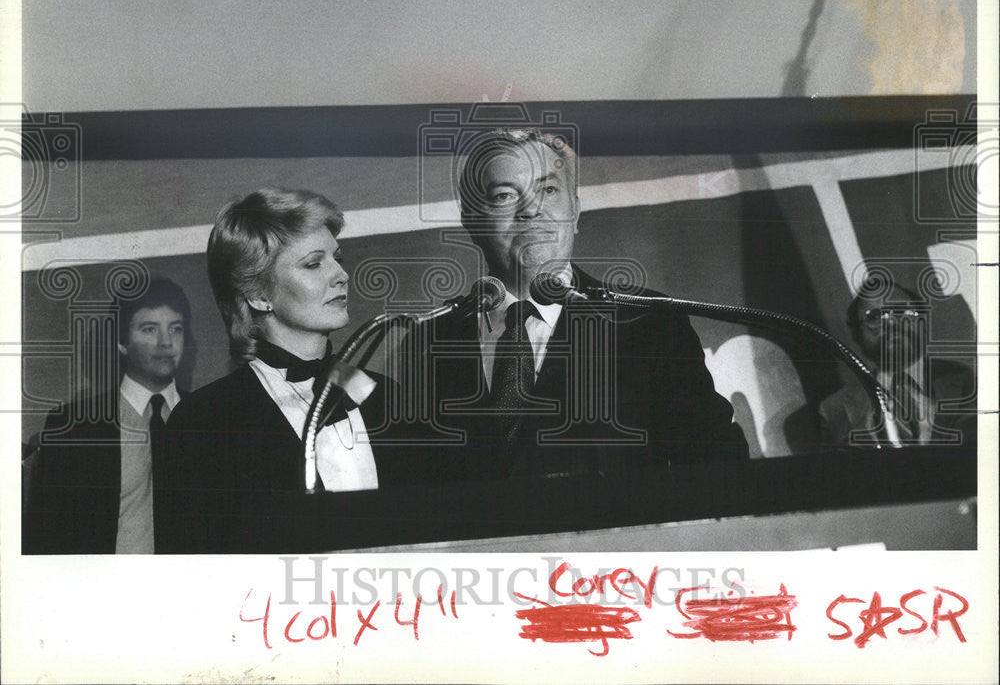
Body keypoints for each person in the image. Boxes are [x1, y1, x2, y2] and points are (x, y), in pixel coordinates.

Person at [406, 128, 748, 482]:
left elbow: (717, 461)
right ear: (471, 221)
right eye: (505, 195)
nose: (531, 211)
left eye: (549, 190)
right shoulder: (428, 342)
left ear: (576, 210)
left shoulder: (647, 321)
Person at [159, 188, 407, 553]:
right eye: (313, 263)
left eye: (338, 258)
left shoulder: (383, 395)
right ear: (259, 294)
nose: (341, 275)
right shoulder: (203, 421)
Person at [23, 276, 191, 554]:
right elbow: (45, 536)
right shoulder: (72, 425)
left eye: (176, 329)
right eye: (149, 329)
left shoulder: (211, 418)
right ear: (122, 343)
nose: (166, 343)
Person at [818, 282, 976, 448]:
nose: (892, 323)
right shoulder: (835, 410)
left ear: (923, 323)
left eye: (902, 312)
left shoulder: (966, 380)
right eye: (875, 317)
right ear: (857, 335)